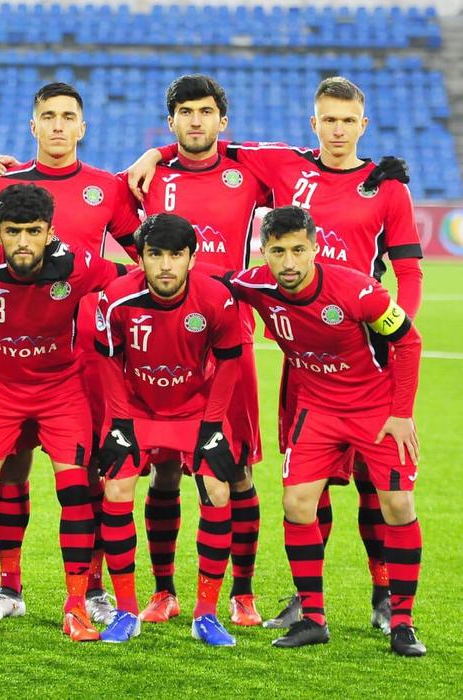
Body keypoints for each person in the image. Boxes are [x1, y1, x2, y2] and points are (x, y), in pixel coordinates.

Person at [129, 76, 421, 632]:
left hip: (364, 346)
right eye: (328, 119)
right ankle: (306, 600)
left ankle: (384, 595)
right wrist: (155, 152)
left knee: (373, 480)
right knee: (308, 482)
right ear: (314, 123)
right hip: (302, 356)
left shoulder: (383, 187)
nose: (337, 130)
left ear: (362, 124)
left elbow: (409, 269)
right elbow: (206, 144)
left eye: (347, 120)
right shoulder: (284, 165)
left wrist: (397, 325)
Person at [0, 82, 142, 624]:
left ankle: (93, 590)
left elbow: (141, 261)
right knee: (9, 470)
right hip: (14, 359)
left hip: (88, 359)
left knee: (89, 476)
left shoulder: (107, 188)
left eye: (68, 116)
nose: (58, 125)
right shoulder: (1, 187)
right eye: (49, 116)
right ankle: (9, 586)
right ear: (33, 125)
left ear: (82, 127)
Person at [228, 206, 425, 657]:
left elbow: (409, 341)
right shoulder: (254, 285)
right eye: (278, 251)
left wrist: (401, 413)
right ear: (264, 252)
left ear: (315, 248)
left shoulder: (358, 290)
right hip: (316, 410)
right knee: (297, 504)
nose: (289, 262)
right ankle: (313, 619)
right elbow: (209, 284)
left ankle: (403, 622)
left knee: (397, 504)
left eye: (299, 250)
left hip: (375, 410)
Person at [0, 184, 127, 641]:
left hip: (62, 391)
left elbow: (133, 277)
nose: (23, 241)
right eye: (12, 231)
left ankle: (76, 606)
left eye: (33, 231)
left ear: (49, 232)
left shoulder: (78, 266)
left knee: (76, 493)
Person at [123, 74, 269, 626]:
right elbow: (77, 194)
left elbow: (310, 169)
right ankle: (164, 591)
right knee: (162, 470)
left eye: (205, 111)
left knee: (236, 470)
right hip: (164, 346)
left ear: (221, 120)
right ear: (171, 121)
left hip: (230, 341)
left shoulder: (249, 172)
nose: (196, 121)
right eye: (185, 112)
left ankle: (243, 592)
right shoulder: (148, 177)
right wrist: (12, 170)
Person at [95, 213, 244, 646]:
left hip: (195, 410)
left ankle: (206, 614)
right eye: (154, 254)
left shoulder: (216, 298)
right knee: (115, 489)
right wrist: (119, 422)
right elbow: (108, 360)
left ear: (192, 258)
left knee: (217, 490)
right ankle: (126, 612)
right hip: (136, 409)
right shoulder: (116, 298)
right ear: (139, 257)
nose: (164, 265)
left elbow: (229, 362)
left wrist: (213, 425)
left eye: (175, 255)